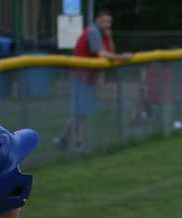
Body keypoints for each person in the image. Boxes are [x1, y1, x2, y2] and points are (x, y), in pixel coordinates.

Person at [55, 8, 133, 151]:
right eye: (104, 21)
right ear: (98, 20)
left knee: (82, 112)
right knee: (78, 112)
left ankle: (72, 141)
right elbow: (102, 54)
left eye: (109, 22)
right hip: (81, 77)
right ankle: (66, 140)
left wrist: (109, 36)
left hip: (87, 78)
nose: (107, 24)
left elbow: (111, 51)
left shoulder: (101, 33)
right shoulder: (93, 32)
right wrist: (123, 58)